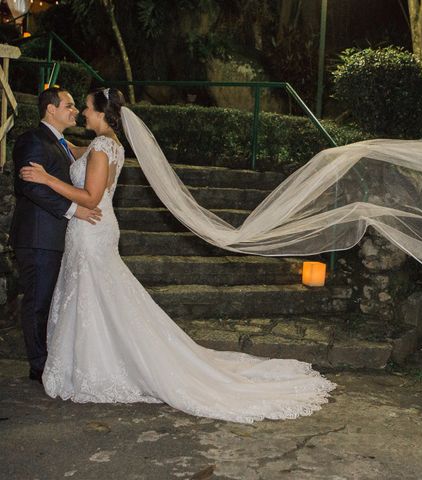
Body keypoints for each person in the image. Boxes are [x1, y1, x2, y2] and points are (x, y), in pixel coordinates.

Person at [18, 88, 336, 423]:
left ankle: (101, 364)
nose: (81, 113)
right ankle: (94, 358)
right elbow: (82, 155)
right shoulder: (108, 145)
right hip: (94, 231)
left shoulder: (101, 147)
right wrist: (66, 147)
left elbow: (91, 196)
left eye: (85, 108)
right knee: (101, 298)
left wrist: (47, 178)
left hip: (92, 227)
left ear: (100, 113)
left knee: (97, 296)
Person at [10, 87, 102, 384]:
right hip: (38, 236)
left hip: (60, 238)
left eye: (77, 106)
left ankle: (51, 359)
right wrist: (75, 210)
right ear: (50, 109)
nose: (74, 110)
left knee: (53, 301)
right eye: (69, 105)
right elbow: (31, 187)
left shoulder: (62, 144)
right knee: (38, 301)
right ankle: (38, 366)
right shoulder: (32, 139)